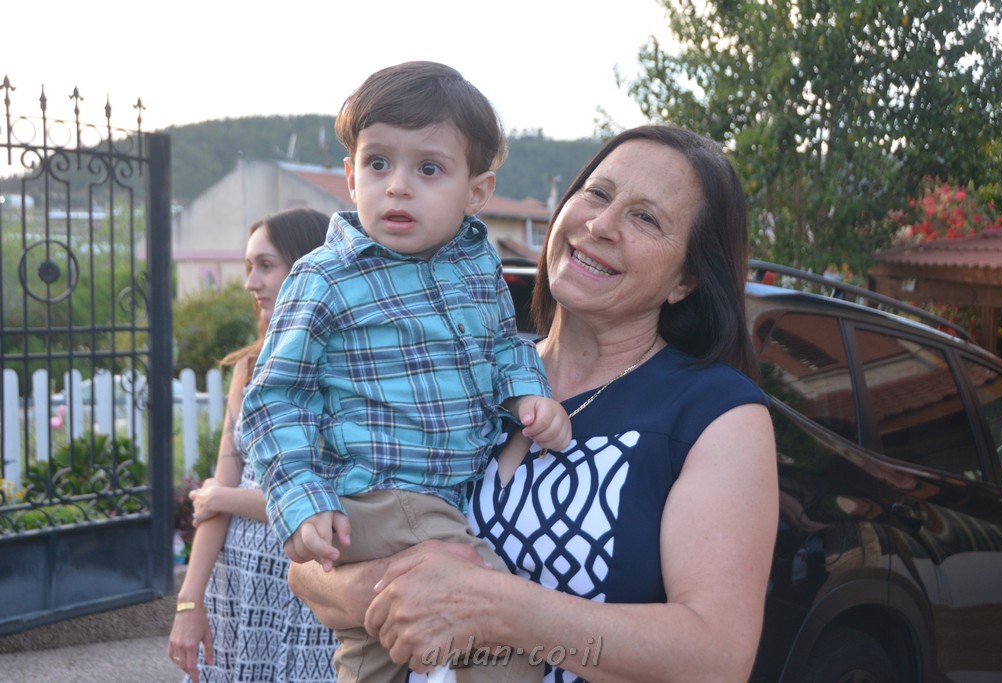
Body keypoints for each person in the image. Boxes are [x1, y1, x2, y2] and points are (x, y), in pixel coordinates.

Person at [288, 124, 780, 683]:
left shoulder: (716, 414)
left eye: (645, 218)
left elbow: (717, 657)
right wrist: (392, 592)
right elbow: (309, 565)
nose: (600, 224)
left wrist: (496, 608)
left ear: (685, 280)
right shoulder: (464, 365)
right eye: (597, 193)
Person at [240, 61, 567, 682]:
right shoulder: (325, 276)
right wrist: (302, 499)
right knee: (503, 637)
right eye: (378, 163)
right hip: (384, 497)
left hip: (445, 498)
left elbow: (504, 345)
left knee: (376, 657)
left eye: (429, 169)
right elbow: (274, 399)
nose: (397, 187)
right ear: (349, 176)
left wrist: (528, 394)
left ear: (477, 191)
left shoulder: (478, 268)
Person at [168, 207, 337, 683]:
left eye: (265, 265)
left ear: (306, 267)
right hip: (237, 586)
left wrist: (225, 498)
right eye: (248, 266)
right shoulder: (248, 368)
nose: (250, 283)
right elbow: (215, 495)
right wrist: (189, 602)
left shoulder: (345, 371)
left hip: (311, 591)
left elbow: (328, 503)